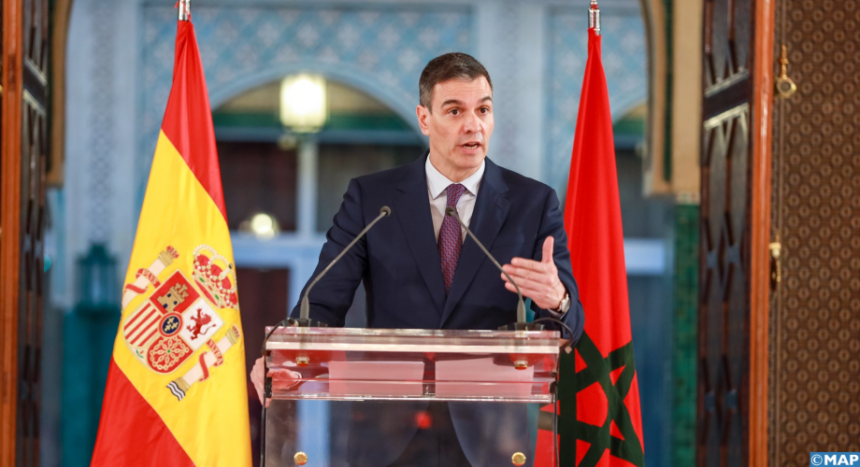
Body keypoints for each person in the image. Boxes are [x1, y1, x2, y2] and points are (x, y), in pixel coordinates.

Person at [251, 52, 585, 466]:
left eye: (483, 110)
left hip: (491, 438)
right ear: (424, 119)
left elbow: (569, 326)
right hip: (390, 432)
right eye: (455, 111)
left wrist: (558, 300)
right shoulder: (372, 199)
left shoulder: (532, 203)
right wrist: (282, 354)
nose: (473, 125)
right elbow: (321, 301)